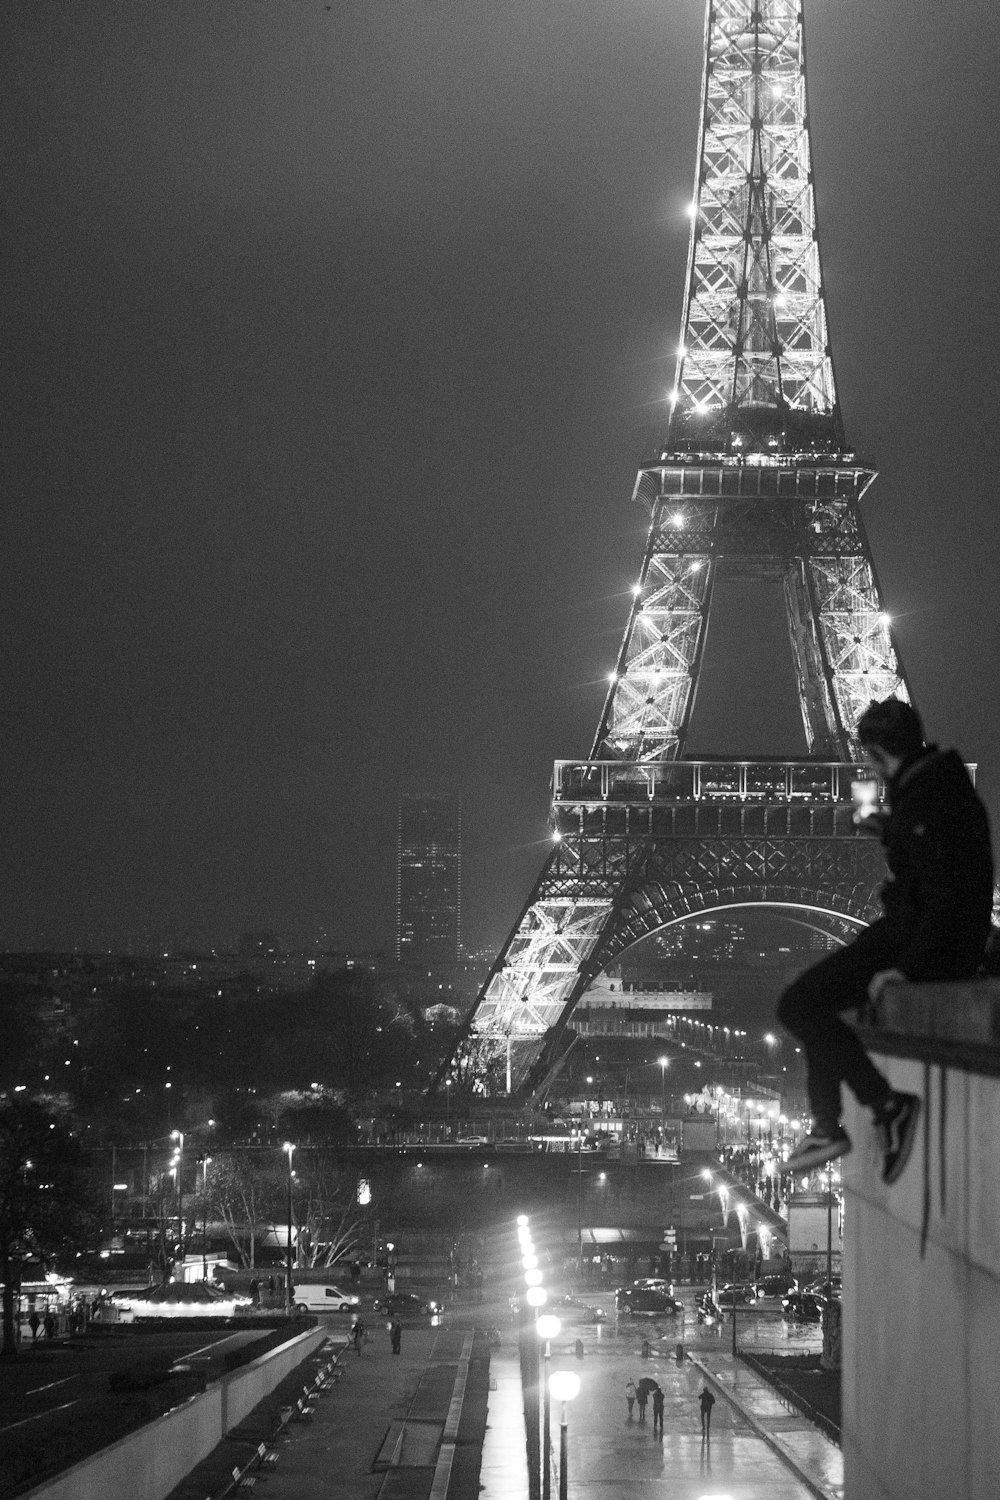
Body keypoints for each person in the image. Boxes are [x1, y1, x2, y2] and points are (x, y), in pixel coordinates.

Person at [778, 697, 993, 1184]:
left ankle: (882, 1107)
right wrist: (891, 827)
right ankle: (831, 1123)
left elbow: (945, 897)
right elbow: (945, 878)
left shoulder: (929, 799)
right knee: (814, 1001)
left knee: (799, 1005)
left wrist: (910, 970)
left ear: (875, 753)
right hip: (921, 935)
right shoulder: (939, 788)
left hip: (916, 941)